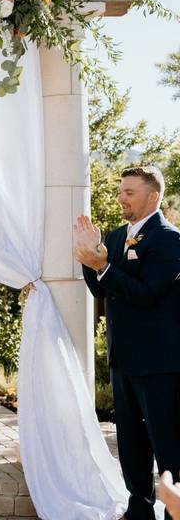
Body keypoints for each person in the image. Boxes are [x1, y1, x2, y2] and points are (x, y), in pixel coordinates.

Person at [75, 166, 180, 520]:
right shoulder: (119, 236)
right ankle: (139, 510)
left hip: (160, 363)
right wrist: (90, 263)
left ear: (153, 197)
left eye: (130, 192)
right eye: (121, 191)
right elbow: (104, 291)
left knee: (168, 444)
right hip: (123, 358)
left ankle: (174, 513)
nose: (122, 197)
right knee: (131, 443)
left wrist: (103, 266)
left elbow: (147, 293)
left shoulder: (169, 240)